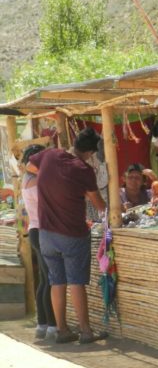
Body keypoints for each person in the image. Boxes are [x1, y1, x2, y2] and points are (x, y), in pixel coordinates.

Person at [26, 127, 108, 345]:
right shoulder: (83, 170)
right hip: (72, 233)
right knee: (76, 282)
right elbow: (99, 205)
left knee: (56, 282)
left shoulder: (49, 155)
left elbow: (29, 165)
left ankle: (62, 330)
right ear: (91, 152)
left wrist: (49, 182)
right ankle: (85, 331)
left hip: (46, 234)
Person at [20, 144, 57, 340]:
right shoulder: (34, 181)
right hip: (41, 231)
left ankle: (43, 324)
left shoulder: (30, 178)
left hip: (36, 230)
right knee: (50, 280)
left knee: (45, 280)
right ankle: (51, 325)